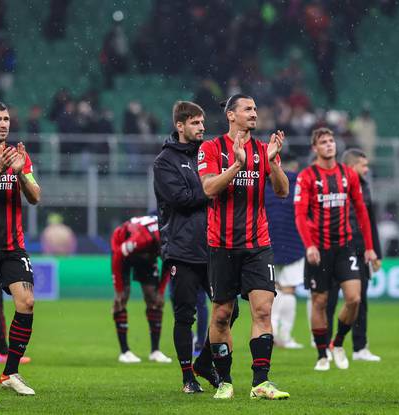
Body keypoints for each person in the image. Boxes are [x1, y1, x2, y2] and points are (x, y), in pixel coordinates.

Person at [198, 93, 290, 400]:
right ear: (231, 115)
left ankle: (261, 382)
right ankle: (224, 381)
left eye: (255, 108)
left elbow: (282, 191)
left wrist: (273, 162)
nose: (254, 113)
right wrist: (237, 165)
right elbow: (209, 188)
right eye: (247, 109)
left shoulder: (263, 150)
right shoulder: (211, 148)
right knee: (222, 314)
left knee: (263, 309)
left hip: (257, 244)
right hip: (221, 244)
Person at [154, 101, 236, 393]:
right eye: (196, 123)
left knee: (230, 310)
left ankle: (204, 363)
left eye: (203, 123)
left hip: (214, 245)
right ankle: (188, 376)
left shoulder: (208, 154)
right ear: (180, 126)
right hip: (182, 248)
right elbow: (181, 199)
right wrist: (213, 188)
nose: (202, 128)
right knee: (185, 315)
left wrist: (213, 186)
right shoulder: (165, 161)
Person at [294, 127, 377, 372]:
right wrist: (309, 245)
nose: (329, 145)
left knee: (354, 298)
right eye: (324, 142)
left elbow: (361, 211)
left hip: (344, 247)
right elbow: (299, 214)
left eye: (331, 141)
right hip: (319, 250)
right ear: (315, 148)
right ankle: (322, 354)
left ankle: (338, 342)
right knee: (319, 302)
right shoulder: (307, 176)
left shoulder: (347, 175)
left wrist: (370, 248)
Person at [0, 100, 39, 395]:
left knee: (26, 302)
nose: (4, 124)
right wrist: (0, 171)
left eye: (7, 119)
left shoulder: (19, 155)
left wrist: (21, 173)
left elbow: (36, 196)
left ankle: (10, 372)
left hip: (13, 245)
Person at [326, 149, 382, 362]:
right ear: (350, 166)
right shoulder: (334, 185)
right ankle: (327, 348)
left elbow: (370, 220)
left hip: (359, 252)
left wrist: (375, 250)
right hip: (334, 250)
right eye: (363, 165)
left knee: (360, 301)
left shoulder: (365, 186)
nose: (367, 169)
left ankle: (360, 348)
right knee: (329, 301)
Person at [111, 215, 171, 363]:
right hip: (122, 247)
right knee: (122, 297)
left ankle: (155, 351)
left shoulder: (171, 237)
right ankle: (124, 352)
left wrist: (161, 291)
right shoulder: (141, 239)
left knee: (154, 298)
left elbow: (169, 261)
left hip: (146, 253)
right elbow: (119, 254)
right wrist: (118, 289)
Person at [266, 154, 305, 349]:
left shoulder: (265, 183)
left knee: (272, 290)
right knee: (289, 289)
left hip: (267, 243)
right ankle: (285, 335)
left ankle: (269, 331)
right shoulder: (299, 183)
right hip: (294, 243)